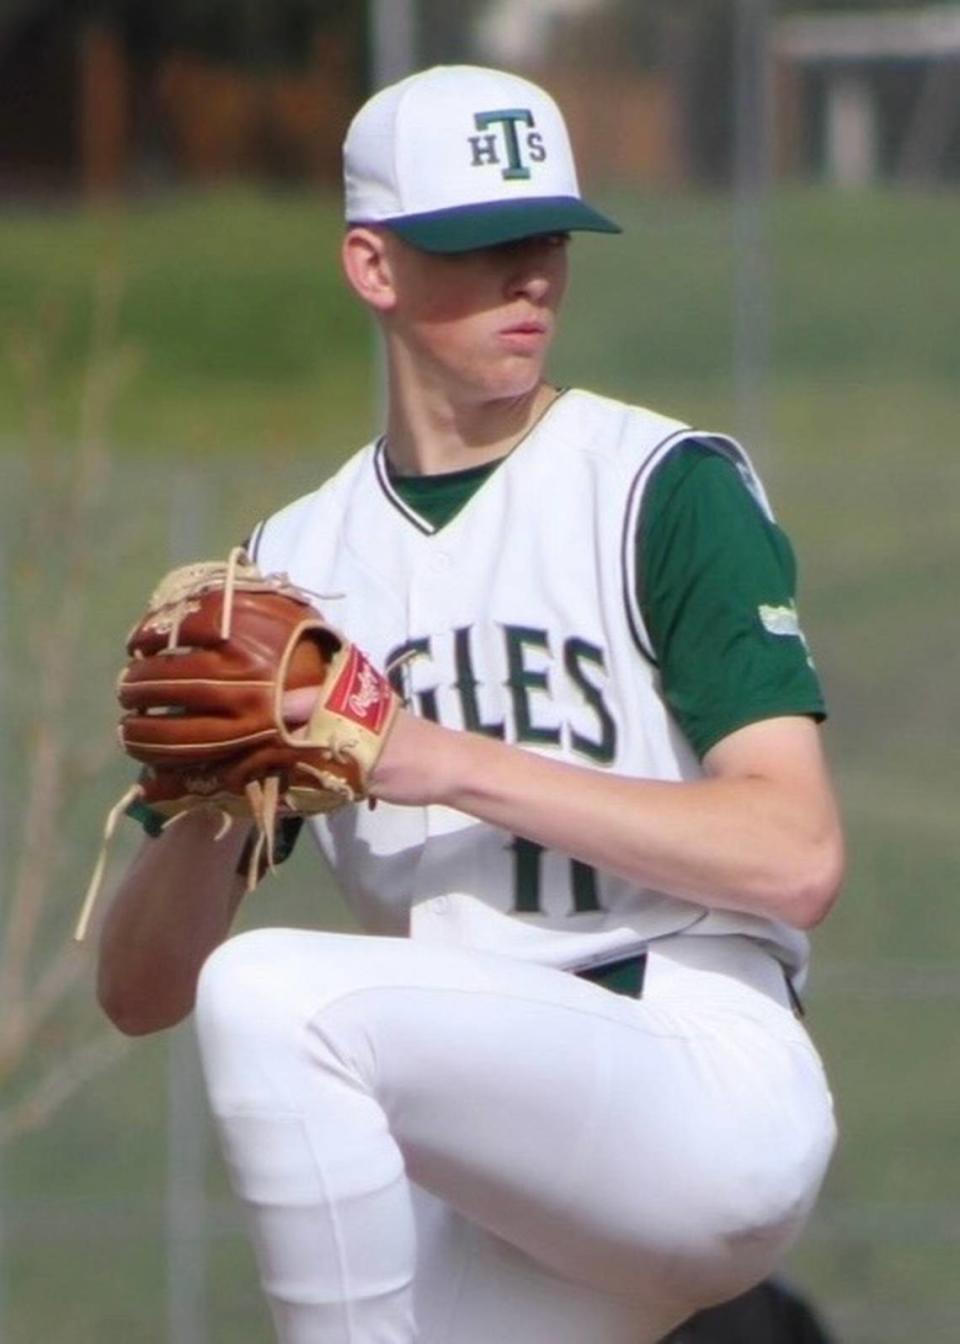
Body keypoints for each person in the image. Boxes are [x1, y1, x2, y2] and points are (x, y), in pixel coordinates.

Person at [97, 66, 843, 1344]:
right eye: (482, 244)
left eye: (545, 237)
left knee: (281, 997)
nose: (531, 277)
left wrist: (437, 759)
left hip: (696, 1070)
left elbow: (797, 854)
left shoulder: (658, 488)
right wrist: (215, 804)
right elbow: (143, 988)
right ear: (374, 267)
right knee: (254, 1003)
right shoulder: (294, 570)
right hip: (503, 1190)